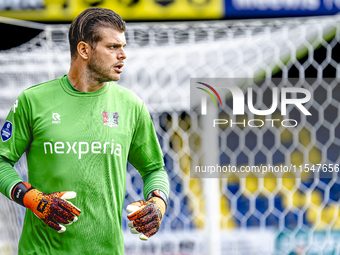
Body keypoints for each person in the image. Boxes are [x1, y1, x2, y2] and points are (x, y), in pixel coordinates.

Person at [0, 7, 169, 255]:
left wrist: (157, 203)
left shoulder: (131, 105)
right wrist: (31, 198)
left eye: (123, 46)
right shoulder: (33, 101)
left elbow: (154, 168)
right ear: (84, 50)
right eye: (113, 47)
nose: (123, 55)